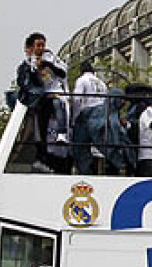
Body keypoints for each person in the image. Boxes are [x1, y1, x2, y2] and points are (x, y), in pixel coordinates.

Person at [16, 32, 69, 173]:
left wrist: (47, 65)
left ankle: (61, 134)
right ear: (31, 47)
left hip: (55, 94)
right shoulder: (28, 63)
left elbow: (62, 73)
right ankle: (40, 157)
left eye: (42, 45)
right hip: (40, 99)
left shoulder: (50, 58)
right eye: (38, 45)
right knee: (39, 128)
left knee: (57, 106)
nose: (41, 48)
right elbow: (29, 82)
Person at [70, 62, 107, 131]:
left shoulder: (82, 79)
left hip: (89, 111)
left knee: (80, 138)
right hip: (102, 112)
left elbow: (76, 99)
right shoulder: (102, 82)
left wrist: (75, 117)